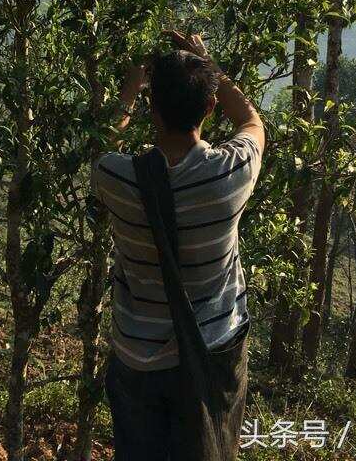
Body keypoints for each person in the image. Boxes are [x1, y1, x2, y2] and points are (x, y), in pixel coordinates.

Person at [94, 30, 265, 461]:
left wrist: (130, 90)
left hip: (137, 357)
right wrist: (212, 69)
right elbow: (251, 121)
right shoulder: (230, 173)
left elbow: (105, 143)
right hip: (211, 354)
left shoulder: (116, 177)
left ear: (152, 107)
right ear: (208, 107)